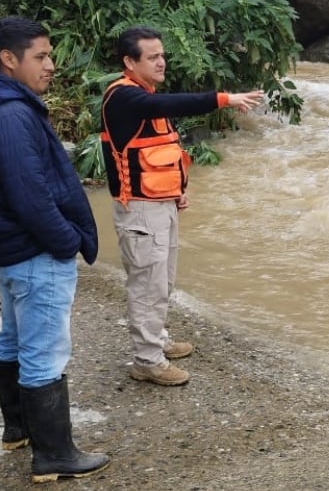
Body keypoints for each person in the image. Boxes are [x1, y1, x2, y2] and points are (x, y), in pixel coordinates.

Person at [0, 16, 110, 483]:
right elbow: (30, 195)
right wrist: (66, 242)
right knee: (45, 350)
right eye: (40, 56)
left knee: (14, 339)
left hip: (6, 249)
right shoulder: (9, 115)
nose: (51, 65)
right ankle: (55, 455)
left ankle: (17, 428)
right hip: (32, 251)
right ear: (9, 59)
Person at [100, 25, 263, 386]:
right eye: (152, 57)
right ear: (129, 61)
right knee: (147, 285)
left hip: (162, 205)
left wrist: (178, 189)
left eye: (162, 55)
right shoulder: (125, 98)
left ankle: (156, 342)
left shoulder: (145, 93)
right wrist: (223, 99)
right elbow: (168, 104)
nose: (161, 62)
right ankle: (147, 361)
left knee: (163, 280)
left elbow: (163, 150)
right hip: (140, 210)